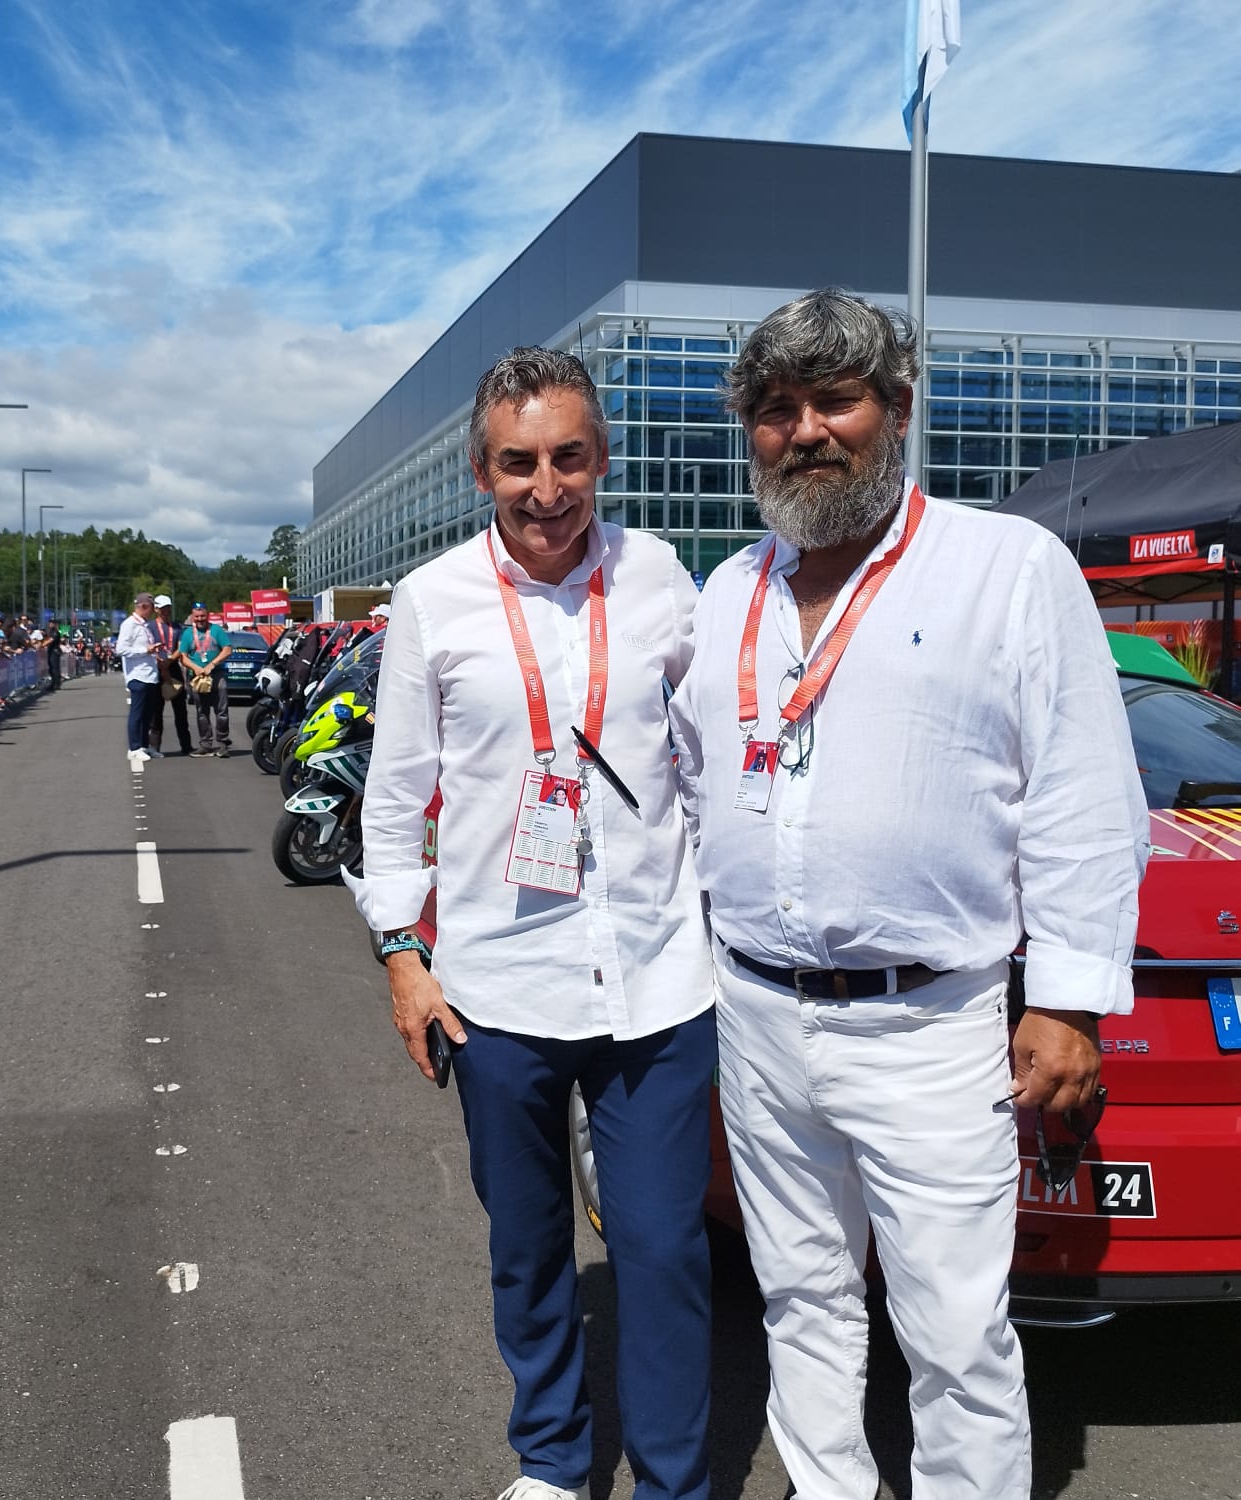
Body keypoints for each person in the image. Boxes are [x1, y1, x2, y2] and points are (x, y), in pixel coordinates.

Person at [668, 289, 1150, 1500]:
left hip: (933, 1024)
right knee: (802, 1298)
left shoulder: (1006, 566)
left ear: (895, 408)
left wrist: (1070, 1003)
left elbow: (1085, 797)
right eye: (775, 411)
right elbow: (686, 790)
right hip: (761, 1016)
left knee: (952, 1332)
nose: (807, 431)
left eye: (836, 399)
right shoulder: (728, 588)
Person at [350, 348, 715, 1500]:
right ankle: (552, 1461)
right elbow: (395, 802)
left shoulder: (660, 576)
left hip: (657, 976)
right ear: (479, 469)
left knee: (661, 1248)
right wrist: (404, 958)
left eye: (568, 459)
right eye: (518, 463)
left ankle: (669, 1479)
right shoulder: (432, 602)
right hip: (497, 984)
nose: (546, 488)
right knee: (528, 1247)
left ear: (602, 458)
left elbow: (705, 760)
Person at [178, 602, 233, 758]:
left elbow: (227, 649)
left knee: (221, 711)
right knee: (202, 711)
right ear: (192, 617)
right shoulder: (188, 633)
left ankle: (222, 743)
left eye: (203, 616)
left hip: (216, 675)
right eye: (197, 617)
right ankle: (205, 744)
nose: (200, 619)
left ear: (207, 615)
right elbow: (183, 656)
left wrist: (212, 664)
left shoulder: (216, 630)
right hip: (197, 677)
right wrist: (195, 668)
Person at [116, 591, 162, 766]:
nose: (152, 611)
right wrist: (145, 651)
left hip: (150, 675)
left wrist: (154, 652)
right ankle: (134, 748)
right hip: (137, 675)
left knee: (147, 714)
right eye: (151, 608)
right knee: (137, 713)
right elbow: (121, 649)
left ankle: (143, 745)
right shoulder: (130, 624)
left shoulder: (145, 625)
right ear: (143, 606)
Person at [148, 595, 193, 755]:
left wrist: (169, 660)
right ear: (156, 609)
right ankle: (154, 747)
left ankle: (186, 746)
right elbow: (147, 645)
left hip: (173, 668)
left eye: (168, 608)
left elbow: (181, 647)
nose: (166, 611)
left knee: (180, 710)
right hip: (156, 669)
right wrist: (159, 661)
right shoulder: (150, 626)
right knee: (156, 711)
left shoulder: (177, 627)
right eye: (162, 608)